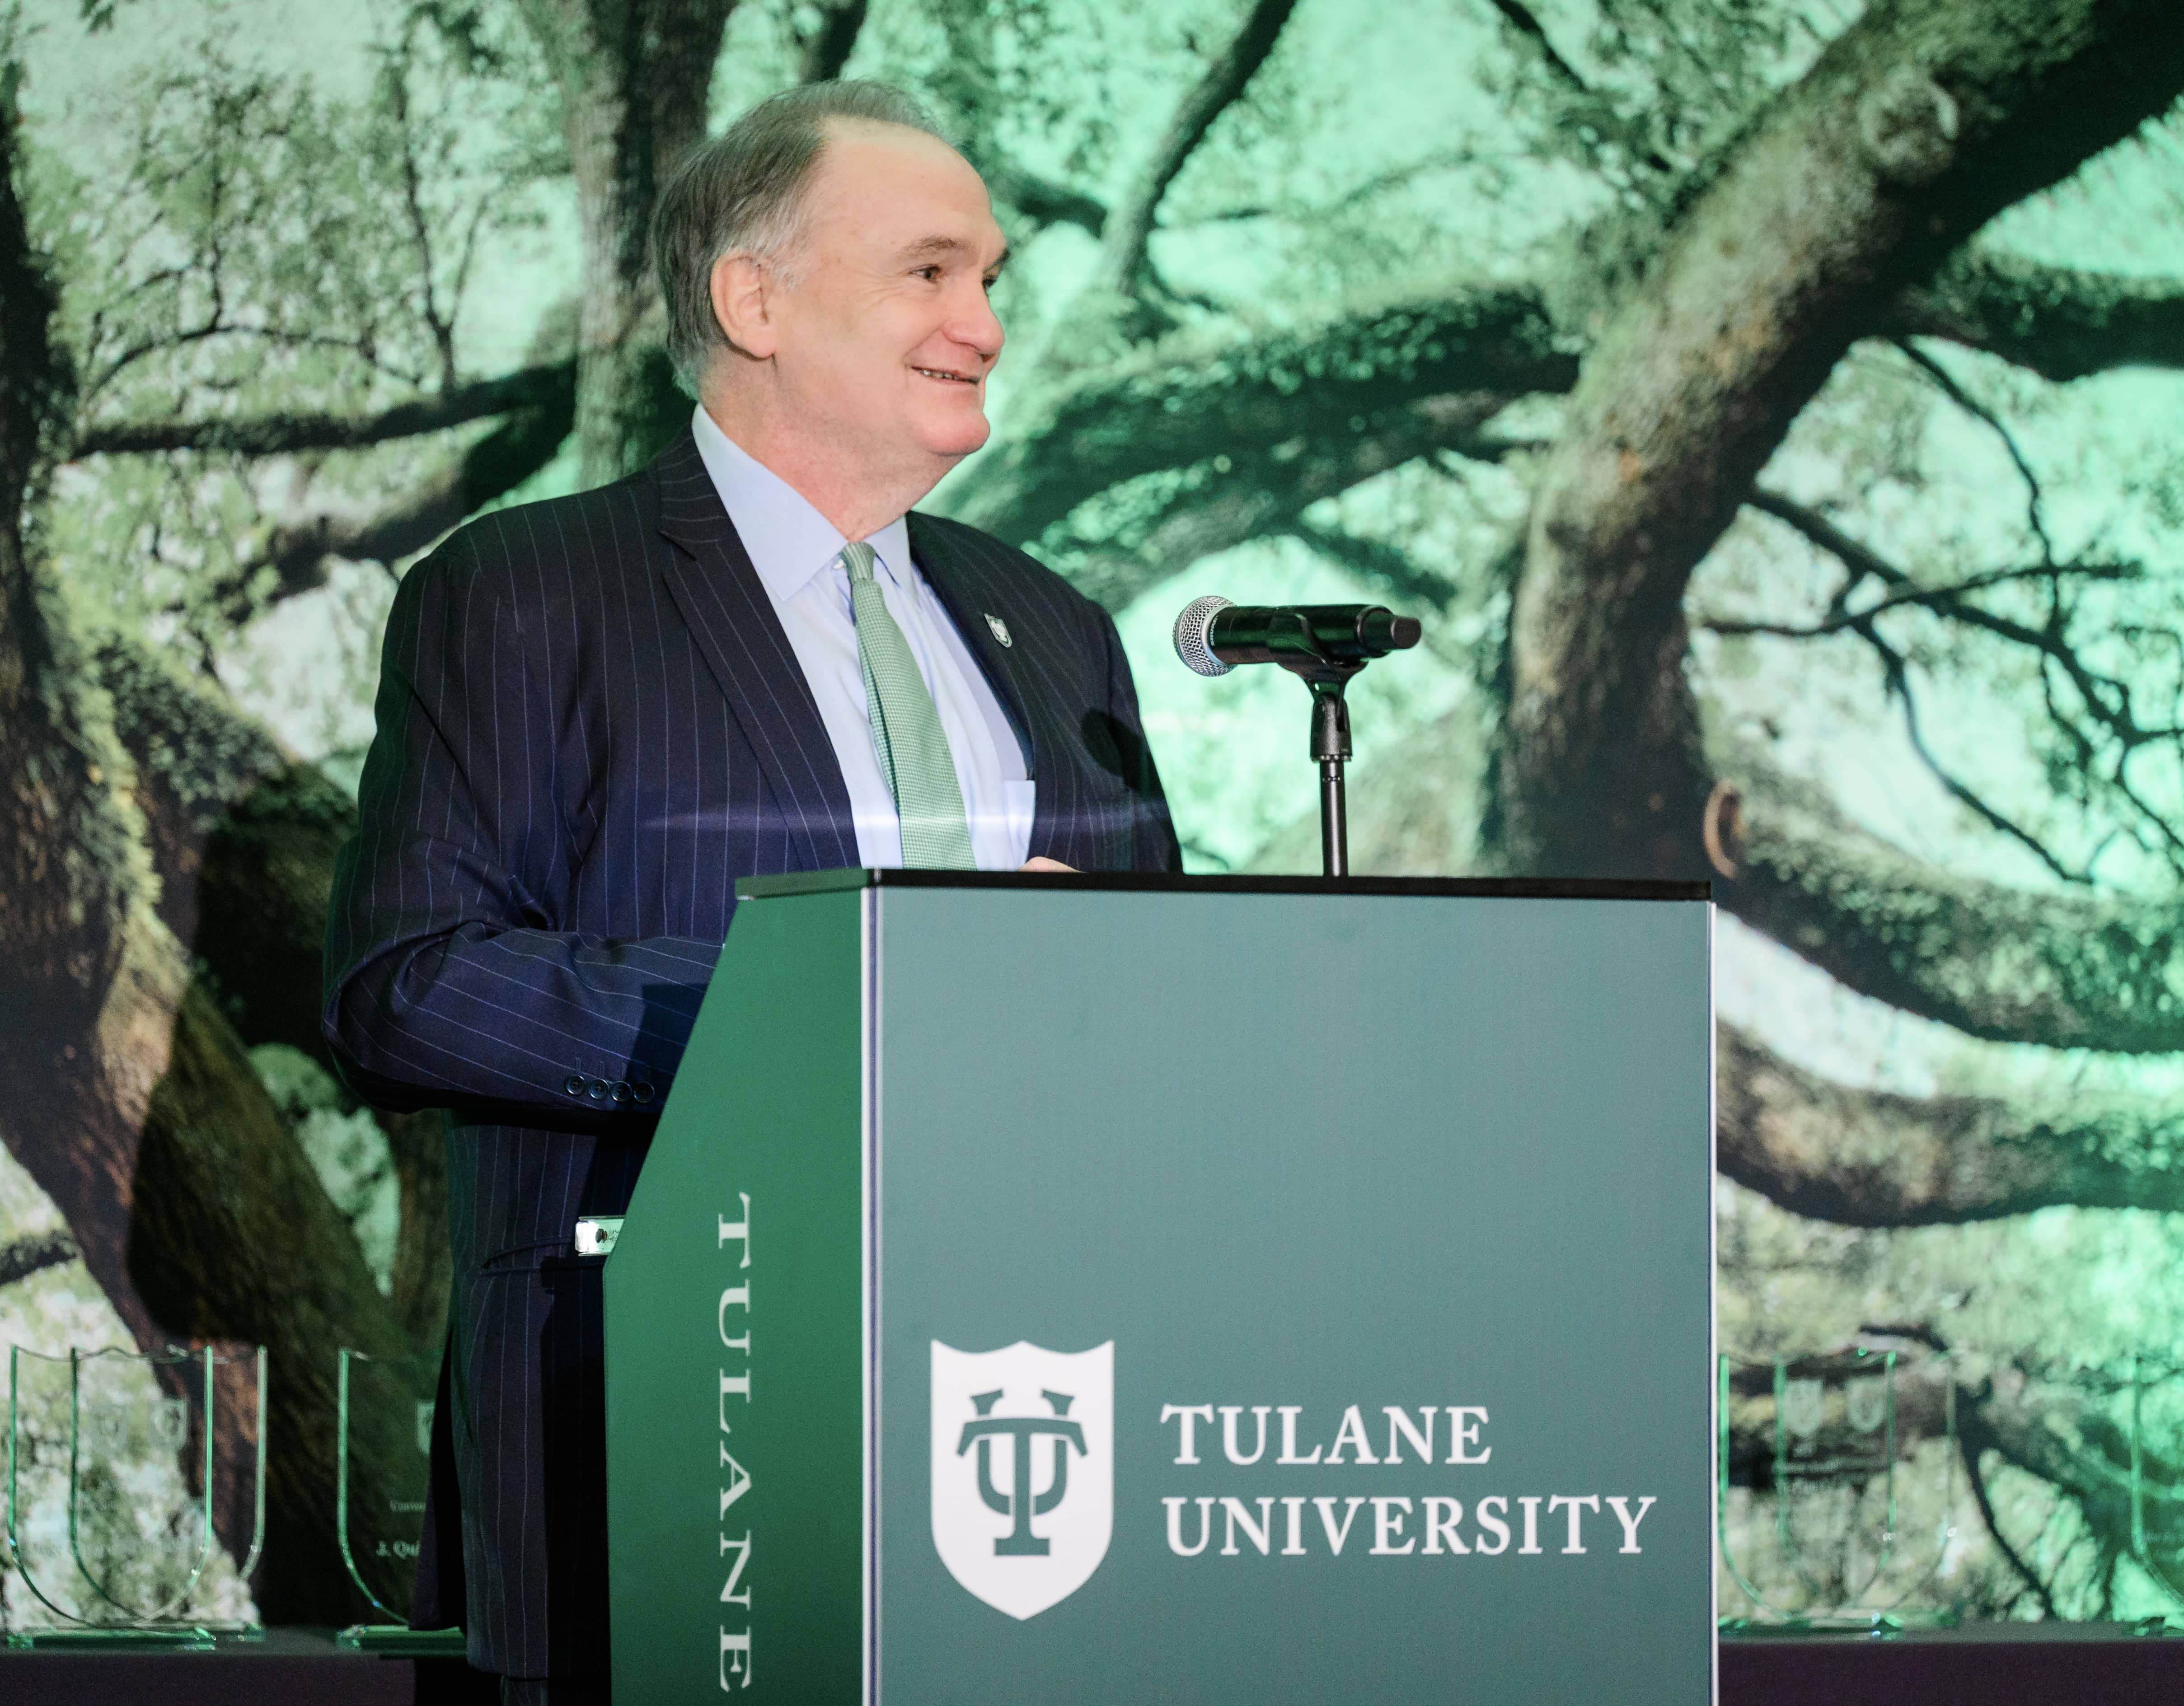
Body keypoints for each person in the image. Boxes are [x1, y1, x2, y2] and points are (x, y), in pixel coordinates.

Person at [323, 79, 1180, 1704]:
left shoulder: (1052, 625)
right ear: (752, 298)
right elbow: (407, 983)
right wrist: (845, 991)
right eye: (933, 272)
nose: (985, 324)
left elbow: (1148, 1001)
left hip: (1038, 1421)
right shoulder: (526, 593)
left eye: (992, 279)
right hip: (665, 1417)